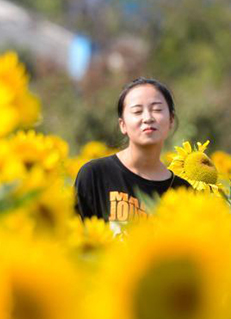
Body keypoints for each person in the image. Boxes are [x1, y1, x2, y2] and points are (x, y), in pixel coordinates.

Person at [74, 77, 192, 230]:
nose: (148, 118)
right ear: (122, 125)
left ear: (171, 120)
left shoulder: (185, 192)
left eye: (156, 110)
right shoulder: (94, 175)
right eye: (137, 111)